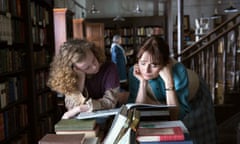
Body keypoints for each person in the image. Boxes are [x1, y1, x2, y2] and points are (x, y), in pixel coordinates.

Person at [127, 36, 217, 144]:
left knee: (195, 135)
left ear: (165, 63)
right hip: (164, 103)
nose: (146, 70)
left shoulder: (179, 73)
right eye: (143, 63)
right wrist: (142, 82)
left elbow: (175, 117)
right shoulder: (135, 72)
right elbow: (137, 111)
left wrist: (169, 80)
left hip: (195, 99)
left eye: (154, 65)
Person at [47, 38, 120, 119]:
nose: (95, 66)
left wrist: (81, 108)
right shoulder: (70, 77)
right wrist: (81, 78)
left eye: (93, 59)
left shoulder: (109, 68)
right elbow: (71, 107)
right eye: (87, 67)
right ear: (74, 69)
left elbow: (110, 102)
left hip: (108, 119)